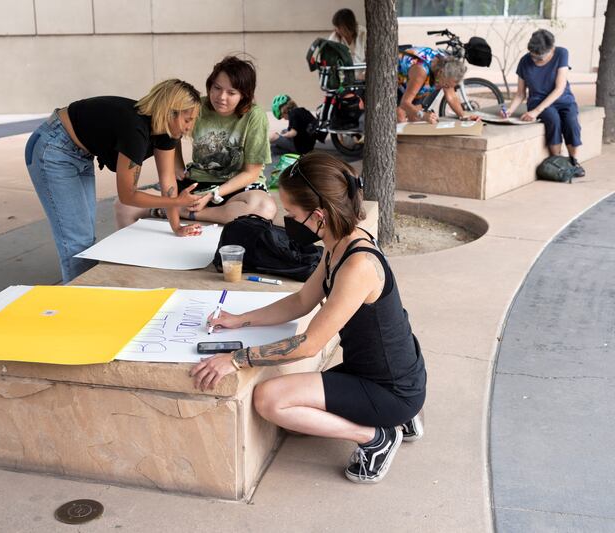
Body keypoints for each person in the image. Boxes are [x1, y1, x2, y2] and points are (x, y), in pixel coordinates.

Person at [190, 152, 427, 484]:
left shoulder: (357, 265)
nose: (286, 219)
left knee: (270, 401)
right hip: (385, 372)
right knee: (293, 418)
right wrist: (239, 320)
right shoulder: (340, 243)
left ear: (318, 216)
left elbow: (309, 344)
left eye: (291, 213)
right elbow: (302, 300)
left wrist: (237, 359)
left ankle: (375, 436)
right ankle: (397, 418)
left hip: (391, 388)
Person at [25, 79, 203, 284]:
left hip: (80, 153)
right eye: (187, 120)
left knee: (83, 236)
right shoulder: (135, 129)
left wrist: (176, 225)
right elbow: (128, 195)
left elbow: (167, 180)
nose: (189, 128)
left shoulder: (166, 131)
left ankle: (83, 294)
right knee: (77, 240)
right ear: (169, 112)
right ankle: (78, 303)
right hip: (54, 148)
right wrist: (176, 203)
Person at [115, 56, 276, 226]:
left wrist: (212, 195)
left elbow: (251, 173)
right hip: (196, 182)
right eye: (217, 88)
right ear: (210, 85)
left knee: (264, 208)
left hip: (237, 187)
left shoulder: (254, 116)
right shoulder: (197, 106)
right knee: (123, 205)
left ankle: (184, 212)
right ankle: (180, 209)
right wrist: (177, 165)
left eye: (231, 92)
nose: (221, 97)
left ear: (244, 95)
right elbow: (172, 129)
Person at [502, 29, 585, 177]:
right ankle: (558, 163)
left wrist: (536, 112)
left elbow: (560, 88)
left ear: (552, 49)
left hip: (563, 99)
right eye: (533, 57)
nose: (535, 61)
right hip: (537, 101)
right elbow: (520, 94)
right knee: (553, 120)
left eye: (540, 58)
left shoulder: (561, 53)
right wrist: (510, 110)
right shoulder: (524, 61)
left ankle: (574, 162)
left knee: (571, 121)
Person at [397, 47, 478, 124]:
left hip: (419, 80)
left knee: (416, 118)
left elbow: (451, 96)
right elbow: (405, 103)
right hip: (398, 77)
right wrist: (423, 115)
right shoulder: (421, 72)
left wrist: (463, 116)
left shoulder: (448, 69)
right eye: (446, 85)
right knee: (401, 116)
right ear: (440, 73)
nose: (446, 87)